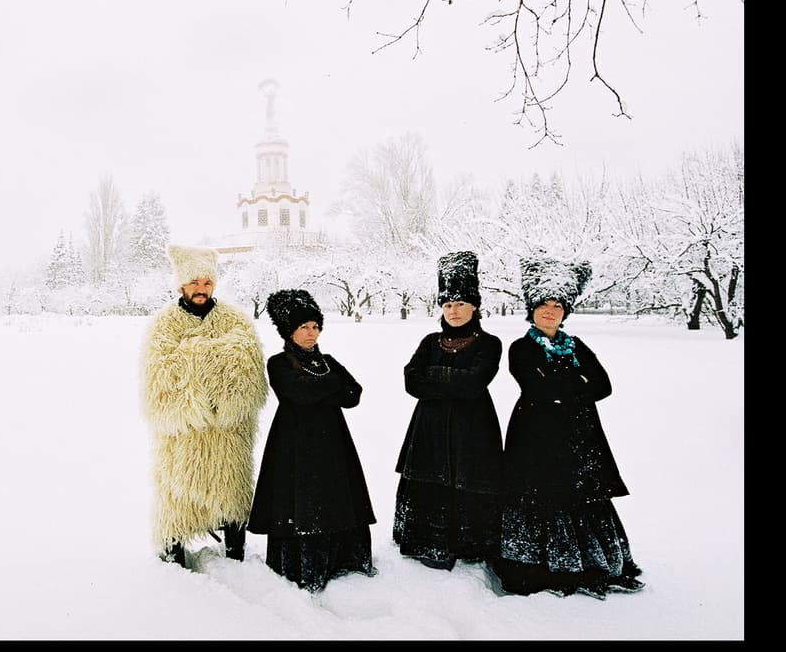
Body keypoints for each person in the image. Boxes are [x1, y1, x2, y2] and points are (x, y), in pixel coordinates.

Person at [491, 256, 645, 599]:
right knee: (540, 490)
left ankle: (589, 564)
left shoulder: (577, 346)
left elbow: (603, 386)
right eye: (543, 305)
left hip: (580, 436)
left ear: (565, 312)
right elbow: (536, 388)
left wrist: (562, 389)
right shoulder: (521, 348)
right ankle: (544, 568)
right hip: (534, 436)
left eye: (557, 306)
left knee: (580, 493)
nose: (550, 312)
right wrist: (576, 384)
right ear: (531, 310)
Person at [139, 244, 268, 567]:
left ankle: (236, 557)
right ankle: (173, 564)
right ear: (181, 284)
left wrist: (194, 356)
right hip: (182, 440)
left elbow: (248, 368)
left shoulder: (235, 320)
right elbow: (159, 378)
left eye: (207, 282)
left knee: (231, 496)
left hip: (227, 437)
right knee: (177, 504)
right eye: (194, 282)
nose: (201, 288)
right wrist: (212, 359)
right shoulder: (163, 326)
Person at [247, 289, 376, 592]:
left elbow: (353, 394)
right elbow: (297, 392)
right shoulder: (278, 363)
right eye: (303, 326)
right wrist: (329, 387)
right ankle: (302, 567)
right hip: (294, 445)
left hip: (334, 444)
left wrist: (318, 389)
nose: (311, 333)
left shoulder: (328, 361)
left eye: (315, 326)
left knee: (337, 497)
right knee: (300, 502)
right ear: (288, 330)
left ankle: (341, 560)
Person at [393, 251, 504, 571]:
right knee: (431, 480)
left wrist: (435, 375)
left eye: (460, 304)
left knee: (468, 480)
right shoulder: (430, 342)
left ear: (475, 307)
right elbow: (411, 380)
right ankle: (428, 542)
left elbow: (475, 383)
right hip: (429, 428)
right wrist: (454, 379)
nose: (453, 311)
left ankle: (468, 544)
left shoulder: (490, 343)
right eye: (447, 305)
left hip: (473, 429)